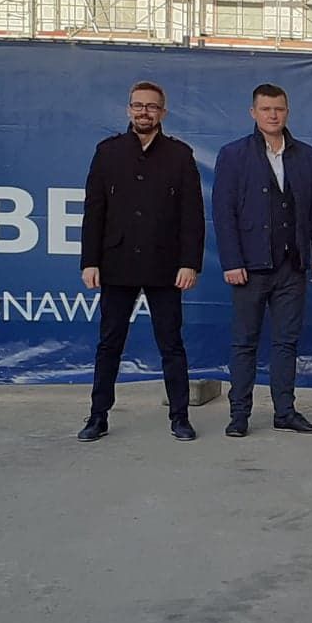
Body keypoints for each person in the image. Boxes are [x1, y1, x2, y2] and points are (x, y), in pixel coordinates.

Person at [77, 81, 205, 442]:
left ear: (163, 112)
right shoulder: (108, 152)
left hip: (165, 265)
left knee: (171, 344)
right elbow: (94, 212)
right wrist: (90, 261)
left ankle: (180, 417)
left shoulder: (180, 155)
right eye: (138, 105)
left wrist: (189, 263)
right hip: (116, 263)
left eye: (151, 106)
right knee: (109, 344)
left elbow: (192, 215)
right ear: (128, 109)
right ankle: (97, 417)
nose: (144, 112)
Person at [212, 82, 312, 437]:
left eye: (278, 109)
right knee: (244, 343)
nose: (273, 115)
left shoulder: (306, 155)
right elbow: (223, 213)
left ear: (287, 112)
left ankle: (285, 412)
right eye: (266, 109)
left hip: (292, 266)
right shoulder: (233, 154)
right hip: (249, 268)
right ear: (253, 113)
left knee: (286, 343)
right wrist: (232, 261)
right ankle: (239, 415)